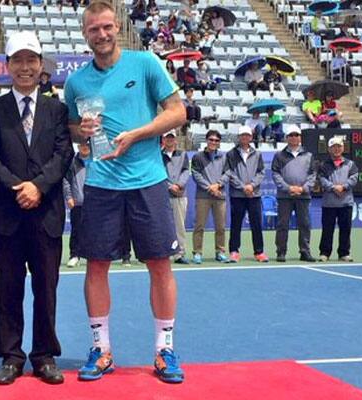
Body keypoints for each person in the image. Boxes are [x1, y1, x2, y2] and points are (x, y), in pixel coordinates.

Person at [63, 0, 187, 384]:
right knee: (96, 265)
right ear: (85, 34)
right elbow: (72, 127)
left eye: (106, 27)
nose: (101, 34)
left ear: (117, 27)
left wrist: (138, 133)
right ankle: (101, 349)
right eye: (93, 29)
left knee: (160, 265)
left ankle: (164, 348)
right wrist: (80, 134)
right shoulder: (76, 82)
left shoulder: (146, 63)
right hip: (100, 184)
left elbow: (177, 112)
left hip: (148, 181)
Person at [0, 30, 73, 386]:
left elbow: (63, 154)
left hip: (46, 212)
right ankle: (11, 355)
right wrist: (19, 187)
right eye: (17, 60)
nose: (24, 67)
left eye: (30, 60)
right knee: (8, 287)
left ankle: (44, 355)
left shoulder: (57, 109)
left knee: (46, 288)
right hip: (7, 212)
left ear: (40, 65)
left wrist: (39, 186)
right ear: (7, 66)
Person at [271, 125, 316, 263]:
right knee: (282, 224)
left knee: (304, 224)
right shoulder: (279, 155)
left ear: (300, 137)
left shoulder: (309, 156)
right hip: (285, 196)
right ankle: (281, 252)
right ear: (287, 138)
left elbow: (313, 175)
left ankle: (305, 252)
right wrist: (288, 188)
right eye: (291, 135)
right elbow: (275, 174)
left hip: (303, 195)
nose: (294, 137)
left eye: (296, 135)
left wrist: (303, 189)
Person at [225, 126, 268, 263]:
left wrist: (252, 185)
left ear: (251, 137)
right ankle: (234, 251)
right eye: (242, 135)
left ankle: (259, 252)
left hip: (254, 195)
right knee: (236, 224)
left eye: (247, 135)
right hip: (237, 195)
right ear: (239, 137)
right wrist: (243, 187)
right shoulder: (231, 154)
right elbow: (229, 173)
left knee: (256, 224)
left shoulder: (257, 154)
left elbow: (261, 172)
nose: (244, 137)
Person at [191, 130, 229, 264]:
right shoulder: (198, 157)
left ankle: (220, 252)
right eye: (211, 140)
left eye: (216, 140)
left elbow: (227, 173)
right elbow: (196, 174)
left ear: (219, 143)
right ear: (206, 141)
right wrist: (210, 187)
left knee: (220, 227)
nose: (213, 142)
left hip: (220, 195)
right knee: (199, 226)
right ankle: (197, 253)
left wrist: (218, 185)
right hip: (203, 196)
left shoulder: (224, 157)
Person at [318, 136, 358, 262]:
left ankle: (344, 253)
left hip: (345, 203)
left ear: (343, 148)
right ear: (329, 149)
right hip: (329, 203)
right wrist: (334, 187)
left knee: (345, 229)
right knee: (327, 230)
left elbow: (354, 178)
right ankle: (325, 253)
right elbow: (321, 179)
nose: (336, 149)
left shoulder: (350, 164)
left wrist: (344, 187)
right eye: (333, 147)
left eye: (339, 146)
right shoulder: (323, 165)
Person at [161, 131, 190, 264]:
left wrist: (178, 185)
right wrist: (169, 186)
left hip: (179, 194)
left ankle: (179, 253)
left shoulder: (183, 154)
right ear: (163, 140)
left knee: (179, 226)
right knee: (162, 226)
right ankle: (163, 253)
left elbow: (185, 171)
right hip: (162, 195)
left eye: (172, 138)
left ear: (175, 139)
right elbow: (158, 172)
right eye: (167, 138)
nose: (170, 140)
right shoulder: (158, 155)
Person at [63, 142, 90, 268]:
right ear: (78, 147)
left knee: (96, 231)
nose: (84, 148)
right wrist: (69, 197)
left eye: (87, 145)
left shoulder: (96, 161)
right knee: (76, 231)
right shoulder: (72, 162)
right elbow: (66, 180)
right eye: (82, 145)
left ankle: (94, 256)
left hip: (95, 203)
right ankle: (74, 255)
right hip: (77, 202)